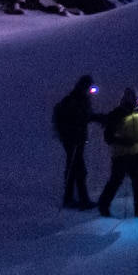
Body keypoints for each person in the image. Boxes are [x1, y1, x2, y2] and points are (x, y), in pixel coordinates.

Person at [51, 74, 102, 209]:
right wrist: (76, 127)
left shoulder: (81, 99)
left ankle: (75, 198)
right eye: (90, 87)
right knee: (77, 169)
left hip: (76, 139)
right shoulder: (74, 100)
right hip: (73, 139)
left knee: (75, 168)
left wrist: (101, 118)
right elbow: (75, 118)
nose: (91, 90)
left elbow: (87, 116)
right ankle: (77, 199)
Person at [96, 88, 138, 218]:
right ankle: (103, 205)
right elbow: (108, 137)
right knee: (117, 181)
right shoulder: (117, 114)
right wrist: (123, 141)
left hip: (134, 153)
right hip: (121, 155)